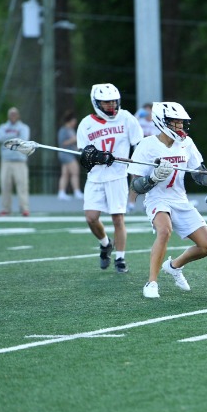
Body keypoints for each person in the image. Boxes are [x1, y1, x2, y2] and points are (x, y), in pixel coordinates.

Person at [128, 101, 207, 298]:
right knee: (164, 230)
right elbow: (135, 186)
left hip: (180, 199)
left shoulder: (186, 143)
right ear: (161, 121)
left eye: (181, 122)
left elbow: (199, 174)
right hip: (157, 198)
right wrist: (153, 178)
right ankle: (151, 282)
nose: (179, 126)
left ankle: (174, 266)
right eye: (174, 122)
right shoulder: (147, 145)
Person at [76, 83, 144, 273]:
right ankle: (106, 244)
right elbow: (83, 155)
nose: (111, 105)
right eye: (106, 102)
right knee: (91, 218)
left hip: (117, 176)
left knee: (118, 218)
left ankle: (120, 258)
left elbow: (139, 144)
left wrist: (138, 160)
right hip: (95, 178)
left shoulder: (126, 118)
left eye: (113, 101)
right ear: (96, 103)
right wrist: (96, 156)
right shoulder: (86, 124)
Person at [0, 107, 30, 216]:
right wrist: (15, 136)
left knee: (22, 185)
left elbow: (23, 139)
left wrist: (9, 138)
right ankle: (6, 208)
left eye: (15, 114)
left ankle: (24, 208)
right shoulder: (3, 127)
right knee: (5, 185)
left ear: (18, 115)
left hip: (20, 161)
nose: (13, 116)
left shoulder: (23, 127)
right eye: (11, 114)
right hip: (6, 161)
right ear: (8, 115)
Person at [56, 110, 83, 200]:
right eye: (73, 121)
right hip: (66, 154)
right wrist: (73, 139)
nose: (74, 123)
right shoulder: (63, 130)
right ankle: (76, 191)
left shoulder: (71, 130)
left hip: (69, 153)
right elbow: (62, 143)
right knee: (75, 171)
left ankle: (61, 192)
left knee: (65, 174)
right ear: (70, 121)